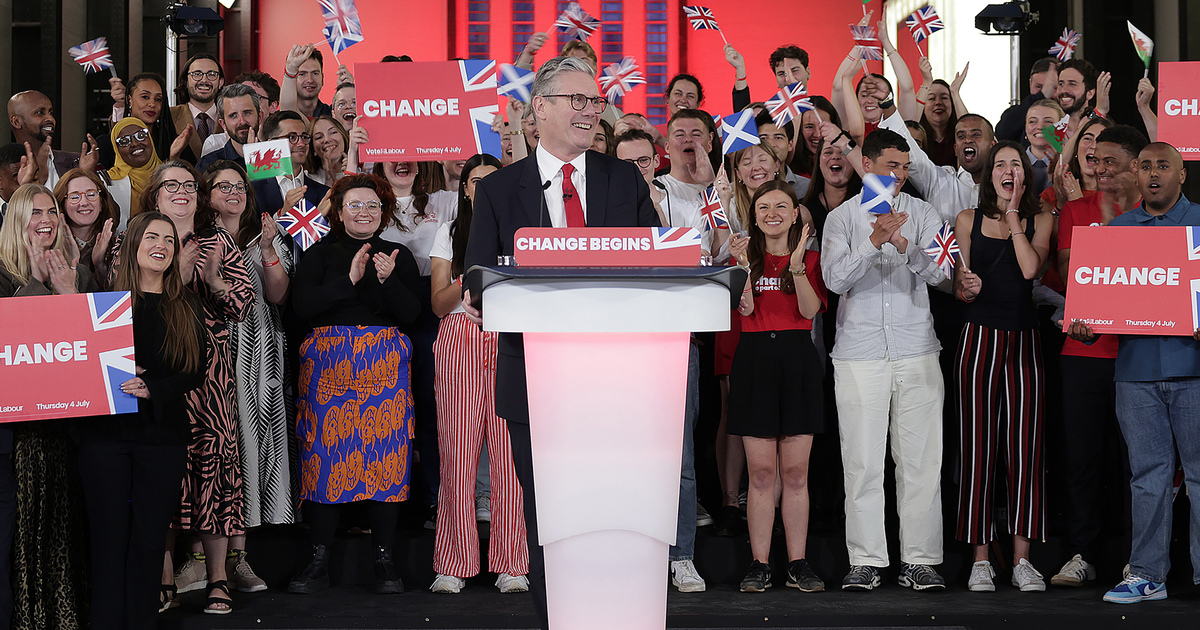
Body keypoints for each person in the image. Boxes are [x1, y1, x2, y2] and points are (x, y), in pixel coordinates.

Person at [463, 55, 659, 629]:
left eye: (594, 101)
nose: (589, 110)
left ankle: (619, 615)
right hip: (534, 378)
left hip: (618, 376)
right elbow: (479, 282)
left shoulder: (622, 177)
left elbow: (653, 261)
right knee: (549, 510)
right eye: (576, 100)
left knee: (614, 506)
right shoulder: (499, 191)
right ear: (538, 110)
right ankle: (561, 618)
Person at [1065, 142, 1200, 604]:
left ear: (1182, 175)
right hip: (1136, 376)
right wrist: (1083, 326)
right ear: (1136, 177)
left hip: (1194, 374)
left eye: (1165, 165)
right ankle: (1147, 575)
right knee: (1148, 476)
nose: (1154, 173)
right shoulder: (1115, 233)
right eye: (1146, 166)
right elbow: (1094, 314)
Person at [820, 129, 949, 591]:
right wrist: (873, 241)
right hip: (859, 354)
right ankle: (867, 561)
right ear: (868, 165)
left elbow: (943, 272)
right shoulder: (841, 218)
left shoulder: (923, 213)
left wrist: (905, 247)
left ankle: (920, 559)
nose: (899, 175)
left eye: (905, 167)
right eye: (892, 166)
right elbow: (834, 281)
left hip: (916, 348)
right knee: (862, 462)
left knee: (920, 461)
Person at [287, 173, 422, 595]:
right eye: (354, 205)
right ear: (339, 211)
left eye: (372, 206)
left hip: (384, 371)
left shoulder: (398, 254)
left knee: (386, 457)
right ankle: (319, 558)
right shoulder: (319, 254)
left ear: (383, 213)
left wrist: (386, 281)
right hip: (328, 371)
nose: (363, 213)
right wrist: (348, 280)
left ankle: (385, 559)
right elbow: (301, 306)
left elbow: (412, 314)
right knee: (325, 457)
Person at [133, 161, 255, 614]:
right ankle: (164, 577)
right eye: (171, 186)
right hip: (159, 378)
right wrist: (180, 276)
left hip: (211, 380)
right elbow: (128, 305)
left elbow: (243, 308)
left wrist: (214, 279)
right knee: (163, 474)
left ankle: (218, 578)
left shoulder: (218, 241)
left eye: (189, 185)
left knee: (214, 474)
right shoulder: (141, 239)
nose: (181, 192)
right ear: (155, 195)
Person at [78, 211, 206, 629]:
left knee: (150, 540)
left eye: (169, 240)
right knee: (108, 541)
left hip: (161, 437)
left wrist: (156, 388)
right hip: (105, 438)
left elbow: (194, 370)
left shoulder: (185, 303)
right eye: (153, 237)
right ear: (134, 244)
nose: (163, 246)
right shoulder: (105, 302)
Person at [953, 141, 1054, 592]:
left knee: (1025, 454)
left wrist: (1014, 216)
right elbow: (960, 286)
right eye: (1000, 164)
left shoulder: (1040, 218)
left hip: (1025, 343)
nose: (1008, 170)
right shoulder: (968, 220)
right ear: (988, 174)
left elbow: (1031, 269)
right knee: (978, 451)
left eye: (1016, 164)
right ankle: (979, 561)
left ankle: (1021, 560)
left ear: (1025, 175)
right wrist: (965, 286)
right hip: (978, 341)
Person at [1051, 125, 1147, 588]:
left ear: (1135, 165)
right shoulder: (1075, 210)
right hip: (1083, 349)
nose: (1101, 169)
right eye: (1095, 161)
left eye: (1111, 161)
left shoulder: (1156, 216)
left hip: (1140, 354)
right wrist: (1109, 230)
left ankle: (1137, 557)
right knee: (1083, 459)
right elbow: (1073, 275)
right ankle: (1082, 552)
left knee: (1138, 463)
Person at [428, 154, 529, 595]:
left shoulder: (523, 233)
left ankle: (513, 563)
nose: (483, 187)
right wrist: (474, 279)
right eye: (475, 181)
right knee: (457, 453)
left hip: (511, 340)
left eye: (493, 180)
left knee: (510, 457)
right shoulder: (450, 231)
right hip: (460, 341)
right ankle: (452, 561)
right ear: (465, 187)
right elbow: (436, 303)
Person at [726, 181, 826, 593]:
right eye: (763, 206)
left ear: (795, 213)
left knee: (796, 472)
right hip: (755, 359)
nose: (772, 213)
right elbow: (745, 308)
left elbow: (809, 310)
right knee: (762, 472)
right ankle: (759, 563)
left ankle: (798, 562)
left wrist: (798, 265)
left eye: (781, 206)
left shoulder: (811, 259)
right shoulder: (743, 258)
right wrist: (740, 266)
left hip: (798, 359)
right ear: (754, 214)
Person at [206, 160, 294, 592]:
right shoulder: (200, 240)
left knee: (255, 452)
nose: (234, 192)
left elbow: (278, 294)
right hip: (216, 356)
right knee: (222, 456)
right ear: (207, 195)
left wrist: (267, 252)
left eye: (240, 185)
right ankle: (205, 559)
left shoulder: (268, 234)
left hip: (262, 357)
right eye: (223, 186)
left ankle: (239, 559)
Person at [377, 159, 459, 522]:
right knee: (387, 409)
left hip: (429, 306)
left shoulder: (441, 201)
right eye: (393, 153)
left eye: (410, 153)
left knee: (429, 405)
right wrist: (353, 156)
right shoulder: (370, 204)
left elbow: (482, 192)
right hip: (385, 308)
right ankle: (384, 504)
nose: (402, 161)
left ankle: (433, 500)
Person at [250, 111, 330, 215]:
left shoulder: (323, 193)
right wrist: (283, 213)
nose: (301, 144)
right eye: (292, 137)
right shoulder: (253, 190)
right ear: (272, 143)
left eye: (304, 137)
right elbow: (250, 230)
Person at [106, 73, 192, 165]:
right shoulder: (107, 145)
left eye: (158, 99)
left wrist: (174, 158)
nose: (152, 104)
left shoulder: (177, 144)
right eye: (145, 97)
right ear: (129, 100)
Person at [51, 168, 118, 283]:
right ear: (62, 204)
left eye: (91, 194)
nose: (84, 203)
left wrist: (100, 265)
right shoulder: (51, 245)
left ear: (101, 203)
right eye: (74, 197)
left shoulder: (117, 245)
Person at [6, 90, 85, 187]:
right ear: (16, 122)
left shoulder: (77, 163)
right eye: (40, 113)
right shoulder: (4, 170)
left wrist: (86, 173)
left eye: (51, 112)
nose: (50, 119)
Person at [170, 54, 226, 161]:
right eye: (197, 74)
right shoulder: (169, 116)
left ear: (221, 82)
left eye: (212, 74)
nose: (204, 80)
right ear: (186, 81)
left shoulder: (232, 117)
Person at [107, 118, 164, 220]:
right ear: (117, 150)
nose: (135, 143)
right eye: (124, 141)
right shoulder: (108, 182)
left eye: (141, 136)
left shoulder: (169, 175)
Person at [196, 84, 263, 172]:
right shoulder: (208, 165)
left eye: (247, 113)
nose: (242, 121)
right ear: (223, 124)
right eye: (233, 115)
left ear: (260, 117)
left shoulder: (276, 156)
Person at [728, 44, 811, 114]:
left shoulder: (820, 108)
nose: (789, 78)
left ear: (808, 72)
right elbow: (743, 119)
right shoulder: (772, 114)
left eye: (794, 71)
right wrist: (740, 69)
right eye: (782, 74)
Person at [996, 57, 1059, 143]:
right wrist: (1040, 96)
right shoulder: (1016, 114)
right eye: (1039, 87)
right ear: (1030, 84)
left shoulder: (1071, 115)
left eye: (1053, 88)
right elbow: (1002, 133)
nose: (1048, 95)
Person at [1023, 99, 1065, 195]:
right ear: (1026, 128)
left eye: (1048, 121)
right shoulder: (1014, 163)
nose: (1040, 127)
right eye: (1033, 121)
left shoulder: (1072, 164)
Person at [281, 44, 333, 120]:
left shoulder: (333, 114)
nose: (310, 80)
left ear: (322, 78)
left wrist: (347, 87)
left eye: (315, 73)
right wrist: (291, 70)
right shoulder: (276, 120)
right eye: (302, 74)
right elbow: (288, 112)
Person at [307, 116, 349, 186]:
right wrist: (328, 179)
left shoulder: (361, 174)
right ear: (313, 149)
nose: (326, 139)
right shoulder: (308, 179)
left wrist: (351, 173)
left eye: (333, 132)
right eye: (319, 137)